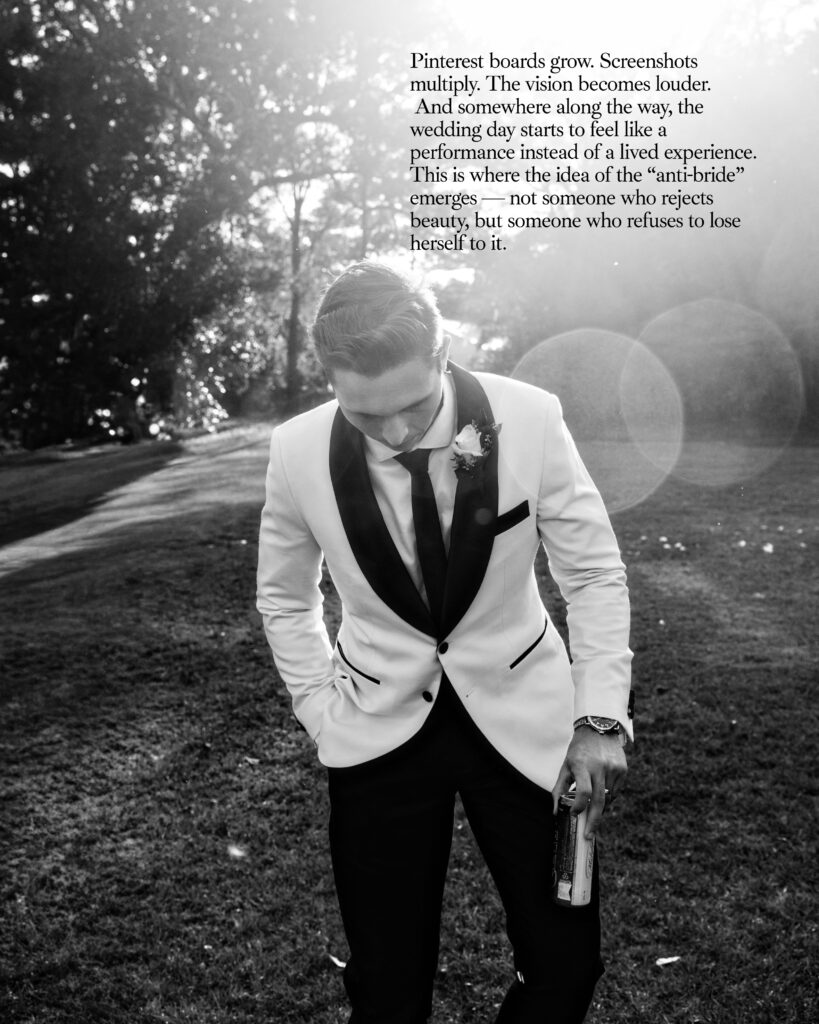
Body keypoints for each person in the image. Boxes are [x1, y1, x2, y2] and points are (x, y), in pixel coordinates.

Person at [257, 261, 633, 1024]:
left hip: (531, 723)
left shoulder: (527, 416)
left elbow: (591, 573)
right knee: (387, 987)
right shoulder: (295, 451)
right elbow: (285, 595)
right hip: (373, 728)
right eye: (364, 416)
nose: (393, 432)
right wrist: (317, 709)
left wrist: (596, 720)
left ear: (443, 352)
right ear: (327, 376)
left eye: (412, 407)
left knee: (565, 964)